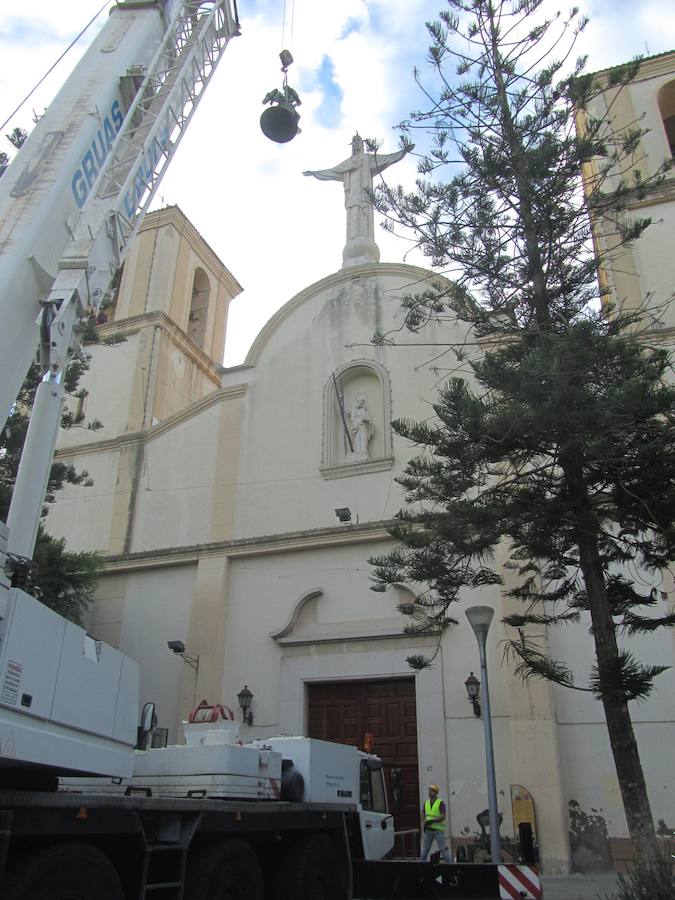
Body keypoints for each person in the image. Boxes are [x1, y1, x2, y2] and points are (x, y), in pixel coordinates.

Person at [420, 784, 453, 863]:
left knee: (443, 851)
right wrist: (424, 821)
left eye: (431, 791)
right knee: (424, 851)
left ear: (435, 792)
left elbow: (443, 816)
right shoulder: (426, 803)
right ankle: (420, 868)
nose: (429, 792)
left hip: (438, 830)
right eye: (429, 791)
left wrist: (431, 821)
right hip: (428, 830)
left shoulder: (440, 803)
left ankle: (451, 867)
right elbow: (422, 814)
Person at [348, 392, 373, 457]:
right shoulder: (354, 409)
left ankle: (363, 451)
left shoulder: (365, 410)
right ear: (357, 401)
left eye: (362, 401)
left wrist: (366, 420)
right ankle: (357, 452)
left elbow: (369, 420)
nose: (361, 402)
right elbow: (352, 418)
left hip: (363, 426)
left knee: (363, 438)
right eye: (359, 401)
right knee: (357, 439)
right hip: (356, 427)